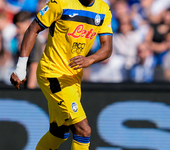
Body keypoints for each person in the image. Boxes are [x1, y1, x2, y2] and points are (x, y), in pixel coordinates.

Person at [10, 0, 113, 149]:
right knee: (83, 130)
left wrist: (90, 59)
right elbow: (33, 28)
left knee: (59, 132)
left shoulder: (103, 9)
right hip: (53, 73)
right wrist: (20, 67)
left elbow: (107, 47)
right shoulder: (61, 3)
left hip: (73, 78)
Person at [12, 11, 43, 89]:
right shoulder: (20, 40)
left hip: (32, 87)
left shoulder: (33, 42)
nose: (16, 30)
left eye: (18, 26)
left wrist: (30, 91)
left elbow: (34, 66)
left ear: (27, 23)